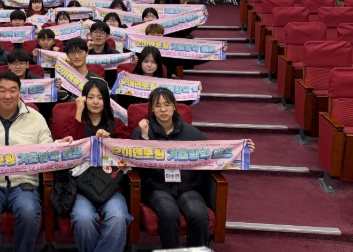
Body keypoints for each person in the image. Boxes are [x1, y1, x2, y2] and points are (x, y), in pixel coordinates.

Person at [132, 88, 255, 249]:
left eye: (167, 105)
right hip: (157, 188)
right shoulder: (141, 131)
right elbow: (136, 162)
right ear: (152, 109)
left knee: (198, 214)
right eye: (157, 105)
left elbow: (212, 158)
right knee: (169, 213)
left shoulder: (193, 134)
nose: (163, 109)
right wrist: (144, 138)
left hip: (187, 188)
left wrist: (240, 152)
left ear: (174, 106)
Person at [0, 72, 66, 252]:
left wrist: (60, 145)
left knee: (29, 212)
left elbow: (46, 148)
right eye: (2, 90)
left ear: (19, 92)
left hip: (24, 182)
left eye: (12, 90)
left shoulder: (36, 118)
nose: (7, 96)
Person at [62, 80, 133, 252]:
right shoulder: (73, 121)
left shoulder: (117, 123)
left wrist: (110, 142)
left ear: (106, 101)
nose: (95, 102)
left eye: (100, 98)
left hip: (110, 187)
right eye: (91, 97)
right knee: (83, 219)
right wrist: (78, 112)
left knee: (118, 217)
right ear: (83, 99)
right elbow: (67, 153)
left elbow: (128, 153)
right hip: (81, 187)